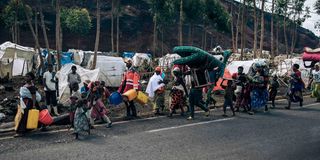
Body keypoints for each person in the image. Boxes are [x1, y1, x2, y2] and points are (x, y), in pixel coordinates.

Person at [15, 72, 43, 137]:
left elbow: (34, 96)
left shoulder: (32, 86)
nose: (26, 77)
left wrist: (33, 105)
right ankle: (40, 126)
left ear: (31, 78)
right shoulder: (26, 85)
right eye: (26, 76)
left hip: (30, 103)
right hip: (25, 102)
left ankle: (21, 131)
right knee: (31, 115)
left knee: (25, 116)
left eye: (28, 76)